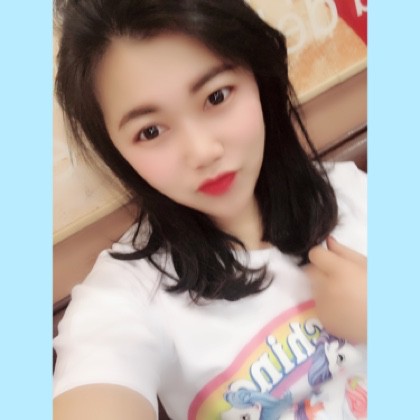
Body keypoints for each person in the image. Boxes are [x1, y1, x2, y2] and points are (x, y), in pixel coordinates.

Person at [53, 0, 367, 419]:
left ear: (258, 77)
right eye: (150, 131)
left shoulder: (353, 193)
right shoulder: (128, 297)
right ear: (117, 151)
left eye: (216, 96)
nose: (202, 151)